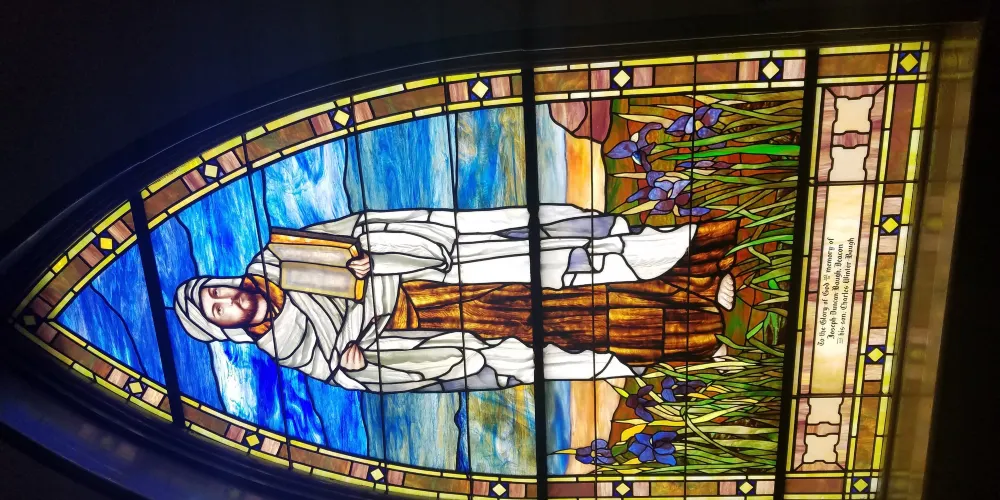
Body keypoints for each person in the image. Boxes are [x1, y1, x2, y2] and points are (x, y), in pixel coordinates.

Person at [174, 205, 712, 393]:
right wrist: (352, 361)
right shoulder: (282, 345)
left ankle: (694, 270)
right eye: (216, 309)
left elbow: (352, 232)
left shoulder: (275, 257)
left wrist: (365, 255)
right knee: (554, 327)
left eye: (215, 290)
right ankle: (692, 333)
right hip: (416, 326)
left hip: (425, 275)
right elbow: (333, 365)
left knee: (551, 268)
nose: (225, 299)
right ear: (226, 327)